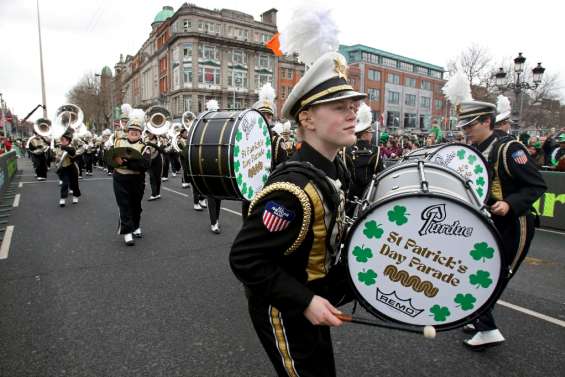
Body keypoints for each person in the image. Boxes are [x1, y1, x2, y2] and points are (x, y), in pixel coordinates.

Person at [230, 49, 366, 376]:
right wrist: (305, 301)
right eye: (339, 108)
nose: (353, 115)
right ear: (306, 119)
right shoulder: (291, 191)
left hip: (315, 295)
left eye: (353, 107)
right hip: (285, 309)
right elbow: (245, 259)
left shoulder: (334, 170)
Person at [455, 100, 546, 350]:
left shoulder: (509, 149)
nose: (466, 130)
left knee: (496, 275)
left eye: (470, 124)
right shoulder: (474, 149)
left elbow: (536, 185)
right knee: (475, 271)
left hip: (515, 224)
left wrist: (509, 204)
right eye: (464, 125)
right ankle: (480, 318)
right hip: (489, 222)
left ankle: (488, 329)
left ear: (487, 121)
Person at [109, 109, 150, 246]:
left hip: (137, 180)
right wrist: (115, 161)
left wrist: (126, 162)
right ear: (128, 131)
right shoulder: (118, 142)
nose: (134, 133)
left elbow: (144, 165)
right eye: (132, 131)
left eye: (137, 132)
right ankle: (127, 232)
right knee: (124, 205)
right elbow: (110, 158)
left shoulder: (144, 147)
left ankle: (136, 226)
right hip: (120, 178)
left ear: (140, 133)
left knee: (136, 206)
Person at [344, 102, 382, 215]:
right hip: (369, 196)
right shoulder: (376, 150)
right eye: (371, 132)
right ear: (365, 133)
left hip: (350, 197)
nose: (372, 135)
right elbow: (379, 174)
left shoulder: (346, 150)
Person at [55, 129, 81, 206]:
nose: (62, 141)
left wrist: (65, 148)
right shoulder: (59, 148)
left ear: (68, 141)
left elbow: (73, 153)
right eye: (61, 140)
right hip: (64, 168)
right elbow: (57, 158)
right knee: (65, 183)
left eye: (64, 140)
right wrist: (57, 157)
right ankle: (63, 198)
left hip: (72, 168)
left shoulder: (71, 147)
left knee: (74, 184)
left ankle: (75, 196)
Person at [144, 131, 164, 201]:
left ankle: (157, 193)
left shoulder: (159, 140)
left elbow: (162, 150)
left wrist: (153, 145)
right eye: (148, 133)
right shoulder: (145, 140)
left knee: (158, 177)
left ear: (154, 133)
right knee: (152, 177)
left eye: (150, 133)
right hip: (149, 161)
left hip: (157, 160)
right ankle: (153, 194)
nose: (149, 135)